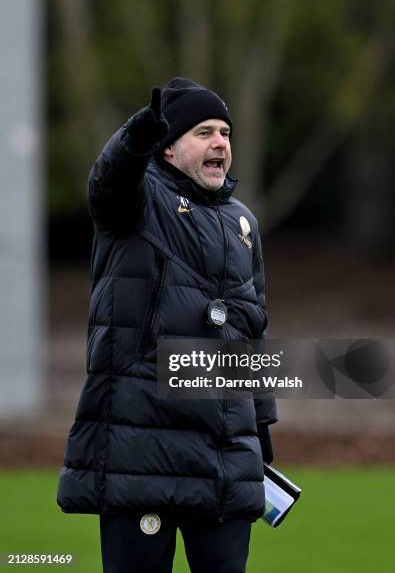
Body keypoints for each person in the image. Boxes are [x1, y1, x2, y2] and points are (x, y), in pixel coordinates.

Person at [57, 77, 277, 573]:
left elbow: (253, 330)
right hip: (143, 452)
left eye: (224, 132)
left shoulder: (244, 223)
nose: (220, 142)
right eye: (203, 132)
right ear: (169, 149)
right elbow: (106, 183)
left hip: (224, 456)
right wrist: (134, 137)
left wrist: (261, 426)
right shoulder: (136, 202)